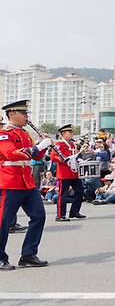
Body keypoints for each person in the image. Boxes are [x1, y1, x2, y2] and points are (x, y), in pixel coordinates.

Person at [0, 99, 51, 271]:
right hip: (10, 183)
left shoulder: (25, 134)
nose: (26, 117)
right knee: (3, 222)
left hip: (27, 184)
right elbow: (11, 154)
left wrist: (44, 146)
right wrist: (37, 148)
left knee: (39, 216)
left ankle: (28, 254)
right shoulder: (4, 134)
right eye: (23, 113)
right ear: (12, 114)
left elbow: (35, 157)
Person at [51, 124, 86, 221]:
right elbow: (53, 157)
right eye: (69, 132)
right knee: (63, 194)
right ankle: (60, 215)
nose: (72, 134)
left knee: (80, 191)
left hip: (74, 172)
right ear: (63, 134)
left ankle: (74, 211)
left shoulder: (72, 144)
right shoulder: (59, 144)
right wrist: (63, 160)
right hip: (64, 173)